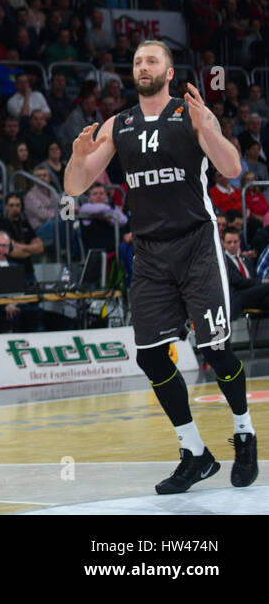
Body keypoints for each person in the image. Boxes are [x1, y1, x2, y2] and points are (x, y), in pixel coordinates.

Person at [65, 40, 257, 492]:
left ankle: (244, 433)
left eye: (152, 60)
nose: (143, 66)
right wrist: (77, 156)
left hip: (196, 244)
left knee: (214, 348)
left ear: (169, 72)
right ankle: (194, 452)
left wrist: (207, 126)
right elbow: (76, 185)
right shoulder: (120, 123)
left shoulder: (188, 114)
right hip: (150, 251)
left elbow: (231, 168)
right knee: (151, 355)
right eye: (137, 61)